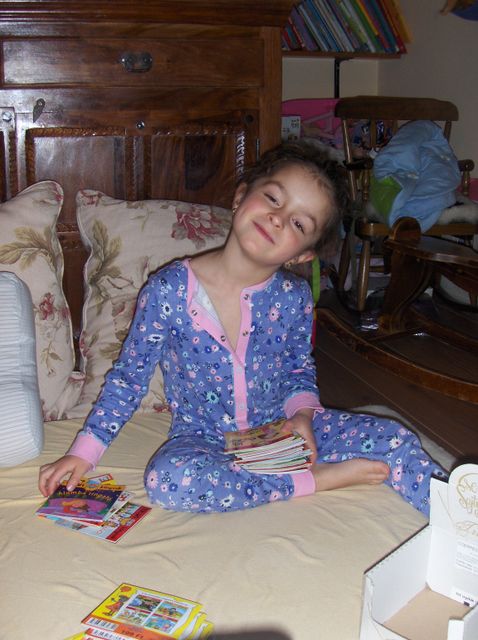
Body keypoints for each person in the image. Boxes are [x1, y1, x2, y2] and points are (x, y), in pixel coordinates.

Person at [38, 141, 446, 516]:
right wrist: (83, 454)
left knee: (394, 438)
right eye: (273, 198)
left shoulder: (294, 298)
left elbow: (298, 370)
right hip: (207, 439)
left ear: (302, 255)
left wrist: (303, 418)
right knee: (169, 479)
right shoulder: (167, 290)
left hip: (285, 430)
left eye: (298, 224)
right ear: (240, 197)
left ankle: (460, 522)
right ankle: (309, 482)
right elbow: (129, 380)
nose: (277, 218)